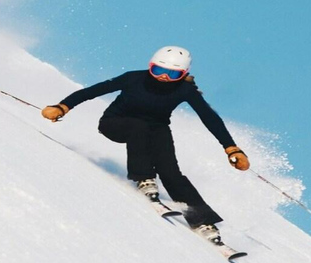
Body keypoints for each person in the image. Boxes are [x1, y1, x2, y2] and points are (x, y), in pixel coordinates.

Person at [41, 46, 250, 243]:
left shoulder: (185, 90)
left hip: (156, 128)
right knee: (138, 126)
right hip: (115, 123)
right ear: (150, 66)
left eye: (172, 74)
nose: (163, 77)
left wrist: (231, 147)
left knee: (171, 172)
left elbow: (209, 117)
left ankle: (202, 220)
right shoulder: (134, 78)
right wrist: (63, 106)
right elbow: (93, 91)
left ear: (183, 74)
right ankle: (144, 178)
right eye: (158, 70)